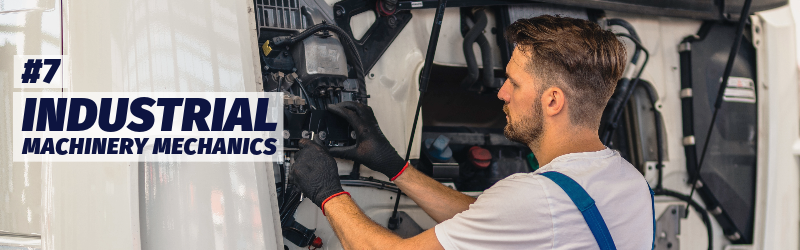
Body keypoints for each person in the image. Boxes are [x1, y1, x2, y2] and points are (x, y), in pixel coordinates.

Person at [289, 15, 654, 249]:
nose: (502, 93)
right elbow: (486, 215)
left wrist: (329, 194)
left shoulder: (536, 198)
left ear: (553, 100)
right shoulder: (630, 182)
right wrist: (395, 167)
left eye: (513, 82)